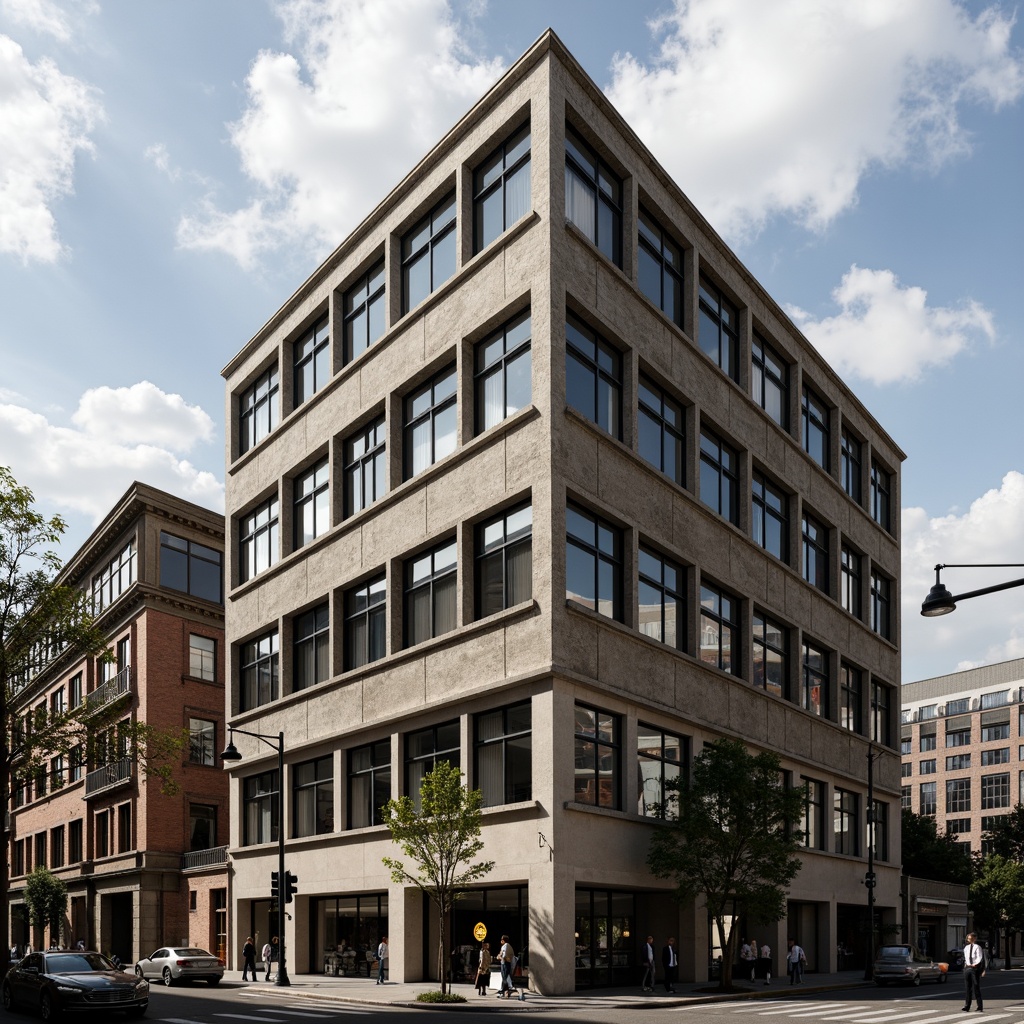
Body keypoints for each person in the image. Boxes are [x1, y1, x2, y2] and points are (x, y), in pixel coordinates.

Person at [963, 931, 985, 1012]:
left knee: (976, 986)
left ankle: (979, 1006)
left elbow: (980, 957)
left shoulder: (977, 947)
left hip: (974, 968)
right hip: (967, 968)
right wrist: (966, 965)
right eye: (968, 938)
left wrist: (976, 965)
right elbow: (965, 958)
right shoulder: (966, 948)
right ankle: (967, 1006)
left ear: (975, 939)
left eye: (971, 938)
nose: (969, 939)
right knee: (967, 988)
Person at [496, 935, 517, 999]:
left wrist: (500, 957)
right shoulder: (504, 946)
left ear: (504, 940)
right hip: (504, 963)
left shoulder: (506, 946)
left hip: (506, 963)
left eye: (502, 939)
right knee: (504, 978)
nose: (501, 941)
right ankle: (505, 992)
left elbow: (504, 956)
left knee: (505, 978)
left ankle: (504, 991)